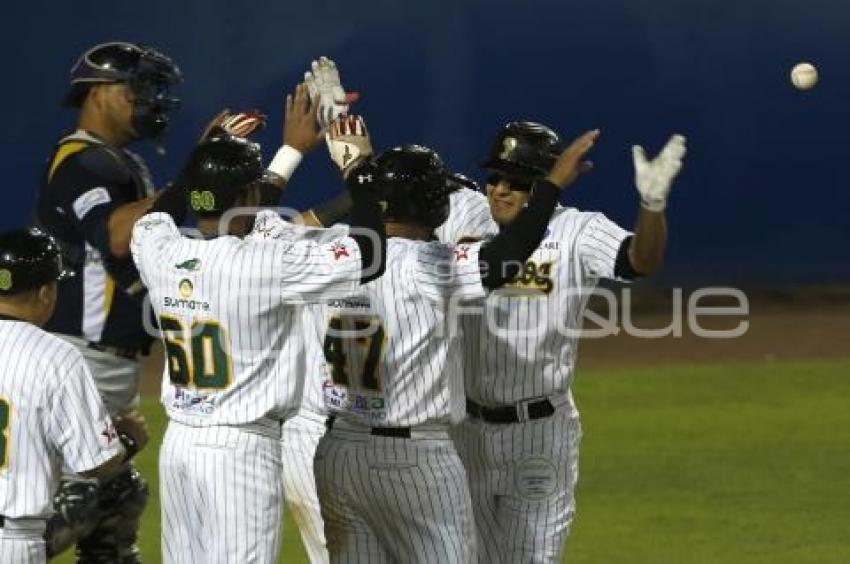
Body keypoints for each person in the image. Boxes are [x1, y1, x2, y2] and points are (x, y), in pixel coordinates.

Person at [311, 129, 598, 564]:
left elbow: (270, 231)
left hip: (337, 453)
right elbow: (507, 256)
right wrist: (551, 187)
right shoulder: (429, 265)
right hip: (413, 460)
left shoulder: (329, 253)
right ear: (435, 206)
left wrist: (350, 166)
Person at [130, 82, 387, 564]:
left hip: (181, 445)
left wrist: (206, 155)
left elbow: (175, 207)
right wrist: (359, 168)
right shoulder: (269, 264)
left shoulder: (159, 249)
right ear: (248, 193)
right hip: (239, 452)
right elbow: (369, 254)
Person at [453, 121, 687, 563]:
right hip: (465, 432)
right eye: (495, 178)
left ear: (544, 186)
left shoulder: (577, 230)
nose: (500, 190)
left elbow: (640, 259)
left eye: (517, 182)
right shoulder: (465, 214)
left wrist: (652, 204)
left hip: (539, 434)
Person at [33, 41, 182, 563]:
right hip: (80, 357)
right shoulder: (82, 161)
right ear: (97, 92)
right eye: (135, 86)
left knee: (119, 499)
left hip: (111, 359)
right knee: (65, 507)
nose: (147, 99)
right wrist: (187, 185)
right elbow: (116, 237)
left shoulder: (124, 162)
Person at [0, 227, 149, 564]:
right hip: (12, 543)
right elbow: (94, 463)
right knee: (121, 488)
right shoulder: (56, 356)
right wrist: (128, 439)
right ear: (45, 293)